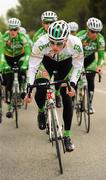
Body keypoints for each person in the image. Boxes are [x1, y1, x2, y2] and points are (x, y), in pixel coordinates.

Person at [26, 20, 84, 152]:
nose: (55, 46)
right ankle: (41, 112)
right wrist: (29, 86)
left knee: (67, 97)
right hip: (46, 64)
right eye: (52, 42)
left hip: (65, 65)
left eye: (59, 43)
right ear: (48, 38)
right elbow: (33, 66)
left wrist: (73, 84)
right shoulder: (41, 43)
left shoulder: (75, 43)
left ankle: (67, 136)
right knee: (40, 90)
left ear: (66, 39)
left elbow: (78, 65)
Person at [1, 17, 31, 118]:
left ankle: (22, 89)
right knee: (8, 83)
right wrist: (3, 64)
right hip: (8, 58)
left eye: (15, 29)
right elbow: (1, 53)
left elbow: (27, 52)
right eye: (11, 29)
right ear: (8, 29)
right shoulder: (5, 37)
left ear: (18, 29)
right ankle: (9, 105)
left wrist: (25, 63)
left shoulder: (23, 37)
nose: (13, 32)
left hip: (20, 57)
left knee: (22, 71)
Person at [33, 11, 62, 107]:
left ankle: (57, 94)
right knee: (41, 89)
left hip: (59, 59)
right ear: (42, 23)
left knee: (59, 77)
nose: (49, 25)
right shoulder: (38, 36)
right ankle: (41, 112)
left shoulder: (62, 31)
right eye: (46, 22)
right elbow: (35, 55)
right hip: (44, 61)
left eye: (51, 22)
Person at [77, 17, 105, 114]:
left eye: (97, 32)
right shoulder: (80, 37)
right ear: (88, 29)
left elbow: (101, 57)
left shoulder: (100, 39)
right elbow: (72, 53)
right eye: (92, 31)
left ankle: (89, 104)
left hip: (90, 60)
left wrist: (99, 67)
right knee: (76, 79)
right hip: (78, 59)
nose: (95, 34)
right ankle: (74, 98)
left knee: (90, 79)